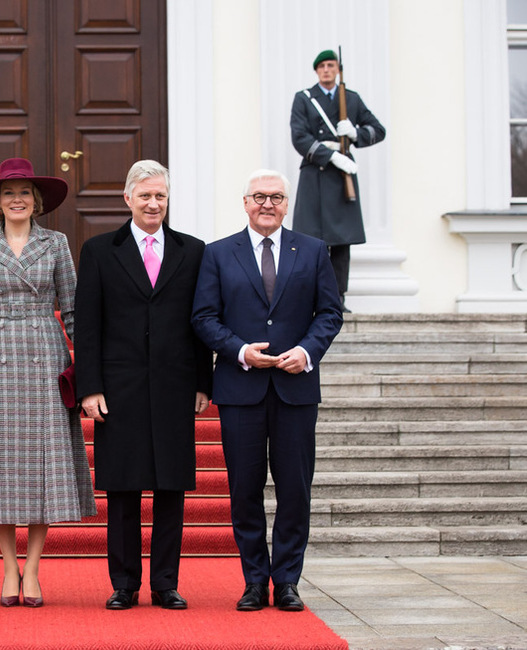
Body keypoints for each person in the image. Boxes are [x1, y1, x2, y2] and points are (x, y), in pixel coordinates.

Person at [191, 169, 343, 612]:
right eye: (259, 196)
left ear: (286, 204)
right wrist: (239, 350)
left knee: (295, 488)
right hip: (241, 389)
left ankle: (288, 581)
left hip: (296, 388)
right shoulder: (219, 254)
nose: (267, 204)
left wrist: (307, 351)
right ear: (244, 202)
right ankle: (255, 580)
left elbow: (330, 313)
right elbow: (203, 317)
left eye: (276, 197)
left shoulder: (313, 251)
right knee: (244, 489)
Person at [0, 158, 96, 608]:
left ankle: (32, 569)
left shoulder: (56, 243)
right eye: (9, 192)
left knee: (41, 466)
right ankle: (8, 566)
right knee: (2, 466)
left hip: (44, 357)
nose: (18, 198)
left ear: (37, 202)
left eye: (25, 192)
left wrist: (85, 369)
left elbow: (72, 311)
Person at [74, 159, 212, 610]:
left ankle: (165, 583)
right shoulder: (99, 250)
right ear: (128, 198)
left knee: (171, 487)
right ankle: (125, 584)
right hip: (119, 388)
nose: (154, 204)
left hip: (175, 385)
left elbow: (201, 323)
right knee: (123, 489)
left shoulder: (193, 251)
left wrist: (202, 382)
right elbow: (88, 325)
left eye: (161, 196)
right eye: (146, 195)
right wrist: (89, 387)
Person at [290, 49, 386, 312]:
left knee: (341, 242)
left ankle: (337, 299)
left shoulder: (351, 99)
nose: (326, 70)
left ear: (338, 70)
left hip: (343, 176)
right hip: (316, 172)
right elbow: (299, 137)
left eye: (331, 65)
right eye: (321, 66)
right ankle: (311, 298)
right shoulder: (305, 99)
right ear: (316, 71)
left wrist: (355, 133)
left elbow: (378, 130)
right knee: (311, 242)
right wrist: (329, 156)